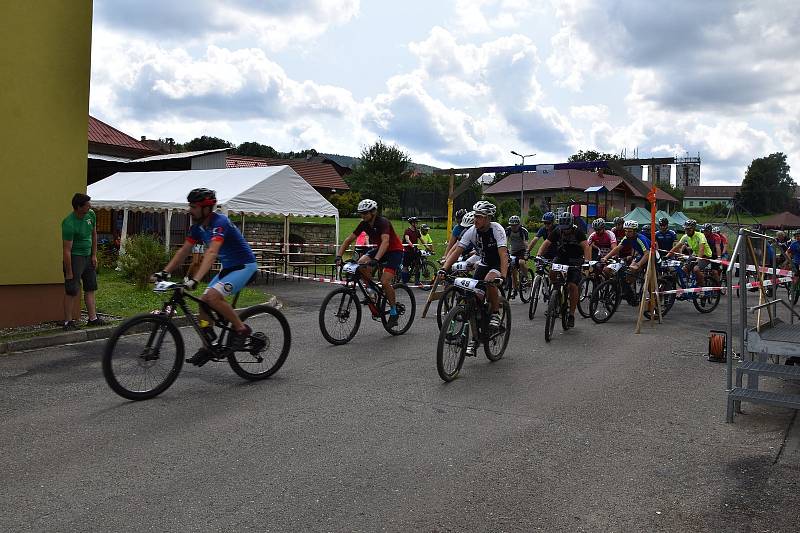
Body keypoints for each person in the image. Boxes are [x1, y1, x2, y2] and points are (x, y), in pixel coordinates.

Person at [154, 188, 258, 366]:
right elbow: (184, 250)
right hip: (228, 269)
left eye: (193, 207)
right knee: (203, 302)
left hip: (245, 267)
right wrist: (165, 272)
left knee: (212, 297)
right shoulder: (198, 228)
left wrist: (195, 279)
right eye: (190, 206)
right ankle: (208, 346)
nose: (189, 210)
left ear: (206, 208)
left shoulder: (220, 222)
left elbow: (211, 252)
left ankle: (241, 329)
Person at [440, 201, 508, 355]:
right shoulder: (472, 230)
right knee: (471, 299)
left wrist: (503, 276)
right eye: (475, 215)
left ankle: (496, 314)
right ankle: (475, 338)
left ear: (488, 218)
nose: (475, 219)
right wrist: (444, 269)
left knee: (490, 280)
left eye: (479, 216)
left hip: (497, 264)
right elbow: (457, 251)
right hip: (483, 263)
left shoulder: (497, 229)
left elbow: (503, 254)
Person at [336, 199, 404, 327]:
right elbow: (348, 239)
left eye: (365, 213)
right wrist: (338, 256)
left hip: (395, 251)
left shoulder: (383, 222)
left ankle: (394, 312)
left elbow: (385, 242)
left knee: (384, 281)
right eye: (361, 213)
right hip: (380, 250)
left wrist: (376, 259)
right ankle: (372, 289)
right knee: (360, 263)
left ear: (373, 212)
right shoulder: (364, 224)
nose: (363, 215)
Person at [538, 212, 591, 328]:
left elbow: (586, 247)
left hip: (576, 259)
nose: (564, 231)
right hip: (562, 256)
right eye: (562, 228)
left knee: (572, 286)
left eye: (566, 229)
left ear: (571, 225)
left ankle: (571, 314)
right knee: (552, 270)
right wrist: (538, 255)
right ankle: (555, 293)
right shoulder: (557, 231)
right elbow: (546, 243)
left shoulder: (578, 232)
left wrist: (587, 263)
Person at [62, 193, 105, 330]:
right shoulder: (69, 223)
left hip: (88, 256)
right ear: (79, 207)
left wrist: (94, 255)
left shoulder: (91, 215)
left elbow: (94, 234)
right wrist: (69, 271)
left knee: (90, 287)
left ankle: (93, 318)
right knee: (72, 290)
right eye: (87, 205)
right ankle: (68, 321)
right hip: (75, 257)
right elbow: (67, 250)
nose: (90, 206)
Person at [602, 220, 652, 301]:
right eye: (625, 230)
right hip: (641, 254)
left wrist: (639, 264)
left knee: (650, 280)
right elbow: (617, 248)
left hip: (651, 255)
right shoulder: (626, 238)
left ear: (635, 231)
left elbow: (647, 254)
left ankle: (654, 298)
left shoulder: (640, 238)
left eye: (630, 231)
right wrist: (606, 257)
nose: (627, 233)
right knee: (630, 270)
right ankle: (630, 291)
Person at [668, 219, 711, 286]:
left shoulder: (700, 236)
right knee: (684, 269)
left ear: (693, 229)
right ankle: (688, 286)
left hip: (705, 256)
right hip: (695, 255)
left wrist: (698, 260)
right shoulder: (685, 236)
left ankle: (702, 286)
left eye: (689, 229)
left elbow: (701, 249)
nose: (687, 231)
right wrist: (667, 256)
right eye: (686, 229)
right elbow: (676, 247)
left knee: (696, 269)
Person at [505, 215, 530, 296]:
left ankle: (527, 277)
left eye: (515, 225)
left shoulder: (523, 230)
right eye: (512, 225)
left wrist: (527, 252)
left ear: (519, 224)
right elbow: (505, 241)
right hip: (513, 251)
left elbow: (525, 242)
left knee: (521, 263)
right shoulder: (508, 230)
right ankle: (515, 289)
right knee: (512, 269)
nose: (514, 227)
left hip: (522, 250)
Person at [401, 217, 421, 283]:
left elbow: (422, 240)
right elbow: (407, 239)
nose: (417, 224)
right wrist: (412, 246)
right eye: (416, 222)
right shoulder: (407, 231)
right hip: (407, 251)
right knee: (405, 267)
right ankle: (404, 282)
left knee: (417, 265)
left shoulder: (417, 231)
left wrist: (427, 247)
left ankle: (417, 280)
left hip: (414, 251)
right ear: (412, 223)